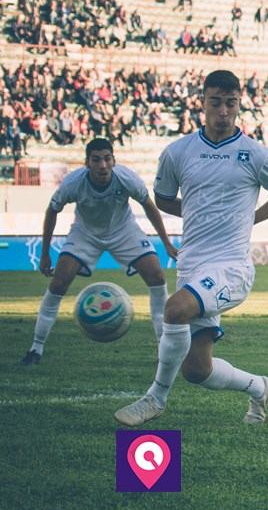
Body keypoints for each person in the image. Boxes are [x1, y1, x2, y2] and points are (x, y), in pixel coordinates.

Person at [114, 70, 268, 426]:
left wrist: (249, 218)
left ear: (239, 104)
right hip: (192, 266)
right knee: (197, 370)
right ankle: (259, 387)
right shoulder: (178, 152)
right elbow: (163, 198)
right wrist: (202, 211)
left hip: (231, 268)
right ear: (202, 102)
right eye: (216, 102)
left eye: (231, 103)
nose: (223, 111)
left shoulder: (256, 155)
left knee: (174, 309)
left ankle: (155, 398)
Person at [19, 138, 178, 366]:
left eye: (107, 159)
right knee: (58, 284)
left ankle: (163, 347)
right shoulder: (73, 183)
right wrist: (45, 254)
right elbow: (52, 210)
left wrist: (167, 243)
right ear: (87, 163)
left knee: (157, 277)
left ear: (113, 161)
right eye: (96, 160)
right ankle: (36, 348)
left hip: (123, 231)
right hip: (85, 233)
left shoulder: (126, 178)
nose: (102, 165)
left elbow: (149, 206)